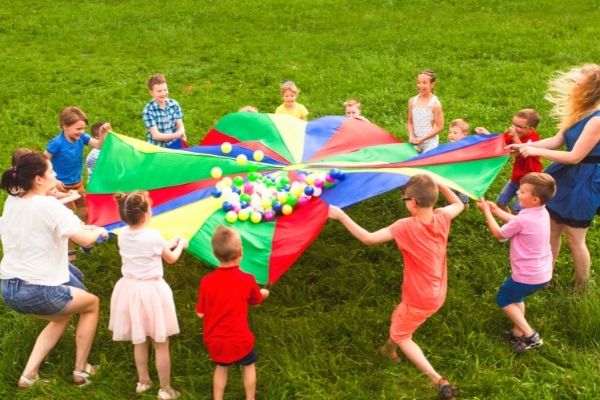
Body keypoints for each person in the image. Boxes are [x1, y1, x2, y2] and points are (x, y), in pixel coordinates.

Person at [328, 174, 464, 400]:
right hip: (438, 291)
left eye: (404, 199)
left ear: (413, 202)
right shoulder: (442, 217)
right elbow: (458, 204)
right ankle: (387, 351)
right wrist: (439, 182)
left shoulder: (405, 226)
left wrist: (341, 216)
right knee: (399, 321)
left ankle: (437, 380)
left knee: (403, 336)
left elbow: (369, 238)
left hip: (419, 297)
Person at [0, 152, 107, 388]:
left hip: (8, 288)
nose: (55, 175)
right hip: (36, 290)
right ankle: (82, 370)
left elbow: (48, 222)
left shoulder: (13, 200)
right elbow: (85, 241)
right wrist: (98, 231)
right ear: (38, 179)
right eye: (50, 172)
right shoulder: (48, 205)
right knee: (91, 304)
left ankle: (29, 376)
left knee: (62, 315)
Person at [508, 64, 600, 290]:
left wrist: (535, 152)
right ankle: (546, 276)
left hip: (585, 180)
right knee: (552, 230)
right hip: (564, 175)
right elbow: (556, 141)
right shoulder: (580, 111)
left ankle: (581, 287)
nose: (573, 88)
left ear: (591, 90)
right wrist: (523, 147)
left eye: (578, 85)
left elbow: (576, 156)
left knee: (575, 238)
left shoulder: (597, 119)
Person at [108, 191, 188, 400]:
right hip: (152, 293)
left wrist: (168, 242)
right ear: (146, 214)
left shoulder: (122, 234)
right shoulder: (153, 236)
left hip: (130, 291)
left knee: (139, 339)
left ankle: (143, 381)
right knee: (160, 344)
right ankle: (165, 389)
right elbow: (169, 258)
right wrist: (180, 245)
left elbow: (151, 249)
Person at [477, 172, 556, 352]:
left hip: (526, 275)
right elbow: (519, 222)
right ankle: (517, 332)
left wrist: (488, 213)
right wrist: (497, 211)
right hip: (541, 273)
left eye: (522, 192)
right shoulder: (541, 213)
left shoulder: (526, 217)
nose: (517, 194)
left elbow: (499, 234)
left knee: (504, 298)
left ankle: (530, 335)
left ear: (535, 199)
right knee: (516, 297)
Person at [196, 225, 270, 400]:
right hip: (240, 339)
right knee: (249, 364)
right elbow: (256, 301)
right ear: (241, 252)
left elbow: (200, 313)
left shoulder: (207, 282)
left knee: (221, 367)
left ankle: (218, 398)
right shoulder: (247, 280)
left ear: (214, 254)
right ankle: (250, 398)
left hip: (216, 340)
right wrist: (263, 293)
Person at [44, 107, 108, 223]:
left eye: (83, 128)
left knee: (85, 213)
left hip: (78, 184)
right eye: (78, 128)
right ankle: (68, 238)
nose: (82, 131)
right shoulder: (57, 143)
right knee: (69, 215)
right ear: (65, 126)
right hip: (61, 186)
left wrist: (103, 133)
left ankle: (85, 237)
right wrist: (53, 179)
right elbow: (44, 161)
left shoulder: (81, 137)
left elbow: (99, 145)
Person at [476, 109, 543, 213]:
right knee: (500, 203)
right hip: (516, 178)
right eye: (514, 124)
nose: (515, 129)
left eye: (520, 127)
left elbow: (523, 151)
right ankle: (511, 221)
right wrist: (487, 134)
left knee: (518, 209)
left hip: (530, 181)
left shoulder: (534, 139)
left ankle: (517, 223)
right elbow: (501, 142)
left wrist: (515, 138)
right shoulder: (514, 133)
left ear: (531, 129)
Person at [142, 74, 187, 149]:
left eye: (165, 90)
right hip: (157, 147)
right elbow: (156, 136)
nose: (163, 93)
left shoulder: (174, 104)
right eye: (159, 91)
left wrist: (182, 135)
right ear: (151, 93)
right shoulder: (148, 110)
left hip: (174, 145)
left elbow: (180, 126)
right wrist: (177, 135)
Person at [407, 70, 444, 153]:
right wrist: (411, 136)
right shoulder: (412, 101)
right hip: (415, 141)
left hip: (430, 143)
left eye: (424, 83)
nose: (420, 85)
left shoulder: (435, 104)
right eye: (419, 82)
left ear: (432, 84)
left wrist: (423, 139)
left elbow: (440, 126)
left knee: (426, 163)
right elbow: (410, 122)